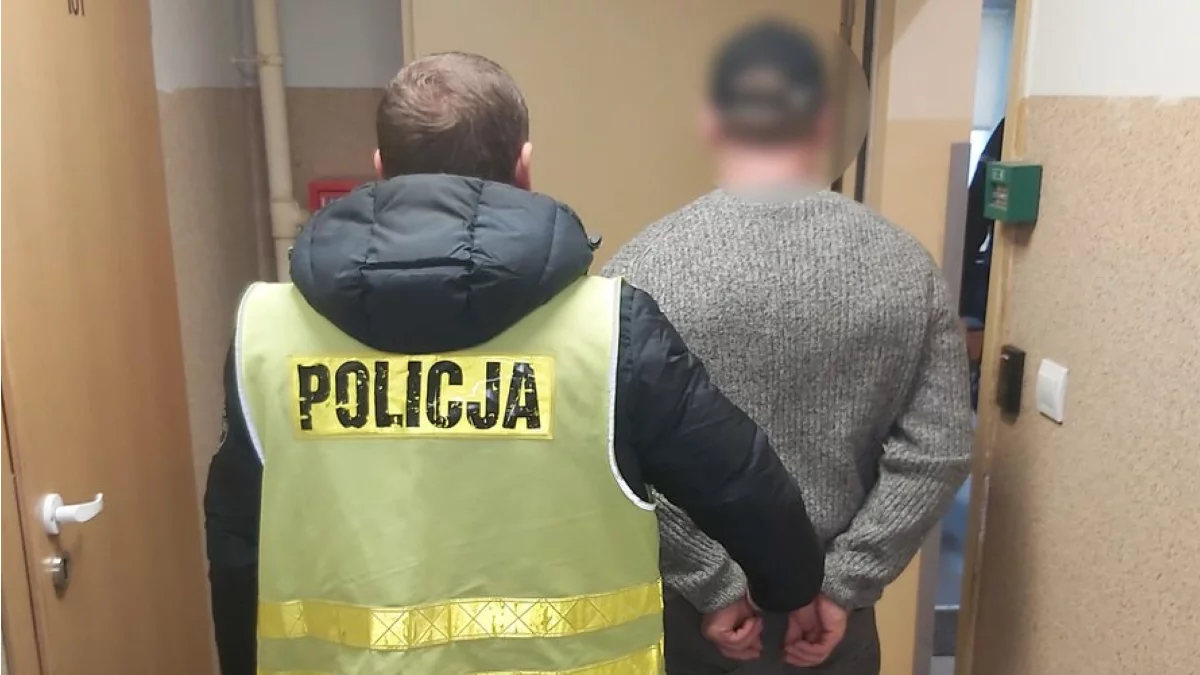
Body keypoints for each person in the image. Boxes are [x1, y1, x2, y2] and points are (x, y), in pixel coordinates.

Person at [203, 52, 825, 675]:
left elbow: (237, 543)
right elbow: (741, 482)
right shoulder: (610, 331)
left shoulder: (267, 333)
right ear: (523, 167)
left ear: (381, 169)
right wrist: (790, 589)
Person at [603, 21, 973, 675]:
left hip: (692, 622)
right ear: (824, 124)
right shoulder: (905, 268)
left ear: (713, 122)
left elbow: (611, 453)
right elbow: (939, 450)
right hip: (834, 627)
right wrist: (842, 584)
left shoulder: (639, 270)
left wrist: (713, 583)